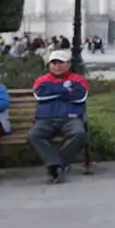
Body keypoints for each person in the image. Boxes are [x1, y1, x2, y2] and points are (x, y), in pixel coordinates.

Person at [27, 49, 89, 183]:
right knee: (34, 135)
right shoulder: (42, 80)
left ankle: (56, 165)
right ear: (49, 65)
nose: (57, 66)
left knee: (79, 134)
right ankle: (57, 165)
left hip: (71, 118)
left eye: (61, 62)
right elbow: (40, 95)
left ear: (68, 64)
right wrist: (66, 90)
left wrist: (53, 90)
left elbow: (80, 96)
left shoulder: (79, 79)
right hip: (46, 119)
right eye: (54, 63)